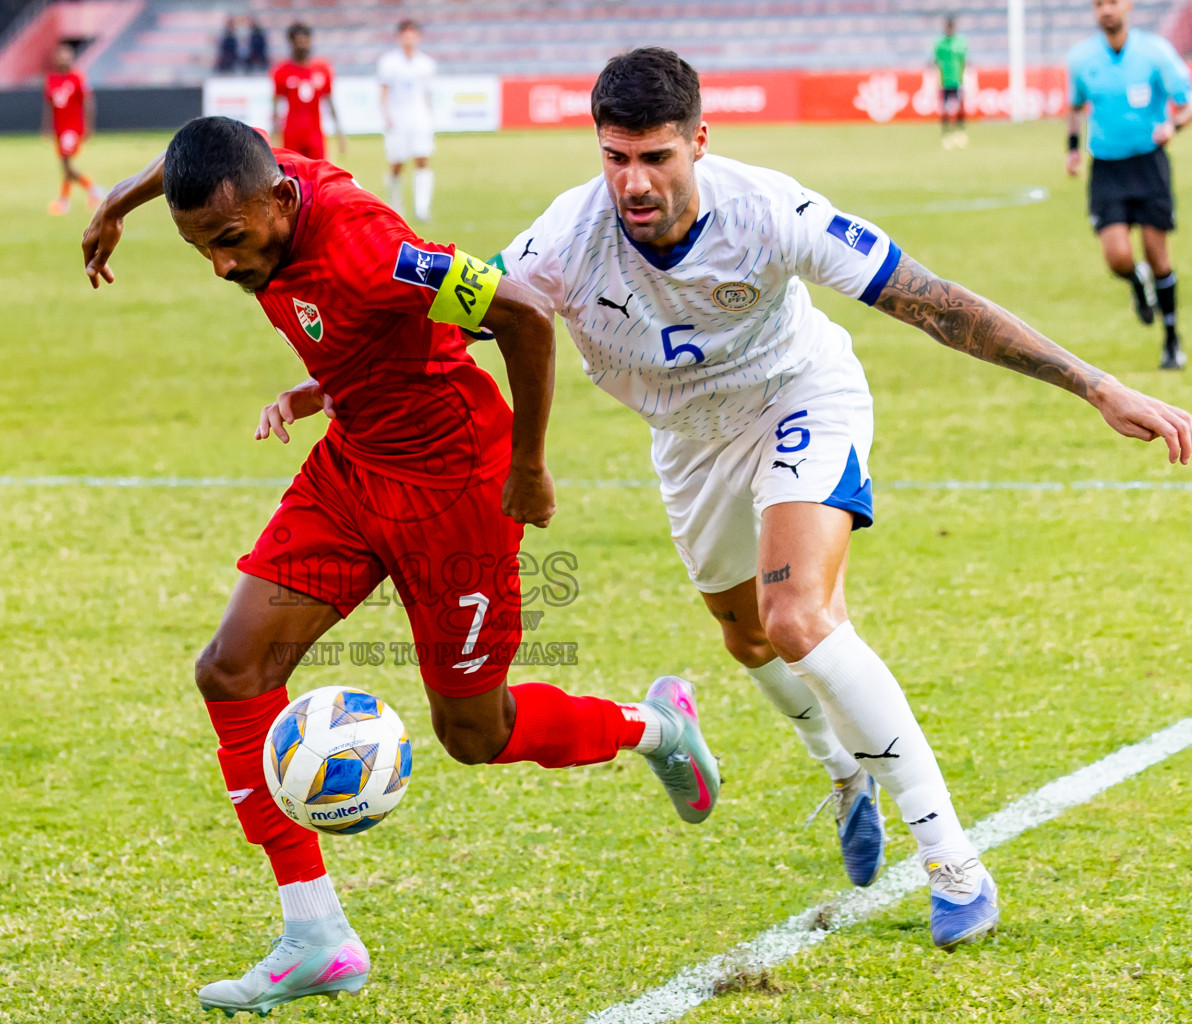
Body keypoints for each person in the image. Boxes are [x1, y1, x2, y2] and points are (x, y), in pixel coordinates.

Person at [494, 48, 1191, 951]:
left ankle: (952, 862)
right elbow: (453, 315)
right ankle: (841, 769)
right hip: (688, 443)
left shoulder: (768, 212)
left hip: (798, 396)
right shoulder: (561, 238)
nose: (634, 181)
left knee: (797, 616)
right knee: (743, 634)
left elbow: (932, 302)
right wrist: (331, 385)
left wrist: (1097, 386)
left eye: (657, 157)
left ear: (699, 141)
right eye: (616, 157)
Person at [79, 116, 721, 1015]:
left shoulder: (375, 250)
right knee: (231, 671)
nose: (222, 265)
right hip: (353, 466)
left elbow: (520, 315)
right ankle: (316, 935)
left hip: (457, 484)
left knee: (474, 733)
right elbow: (210, 147)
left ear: (280, 199)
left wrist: (528, 468)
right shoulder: (260, 177)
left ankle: (653, 725)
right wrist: (117, 201)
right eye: (200, 249)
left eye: (230, 241)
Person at [1067, 0, 1192, 370]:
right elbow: (1075, 107)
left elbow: (1185, 104)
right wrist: (1072, 150)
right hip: (1106, 167)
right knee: (1117, 257)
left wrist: (1174, 126)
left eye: (1113, 3)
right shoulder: (1081, 58)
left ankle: (1171, 340)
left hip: (1148, 164)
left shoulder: (1155, 53)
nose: (1106, 10)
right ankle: (1136, 281)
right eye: (1099, 4)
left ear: (1128, 6)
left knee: (1158, 257)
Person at [378, 19, 437, 220]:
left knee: (422, 159)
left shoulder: (426, 63)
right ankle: (395, 205)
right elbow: (384, 92)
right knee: (396, 163)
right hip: (398, 118)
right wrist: (387, 116)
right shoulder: (389, 63)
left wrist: (430, 117)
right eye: (406, 34)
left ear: (418, 37)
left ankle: (422, 207)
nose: (409, 39)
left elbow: (428, 94)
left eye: (412, 34)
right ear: (400, 37)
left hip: (419, 118)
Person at [42, 43, 103, 216]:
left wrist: (88, 127)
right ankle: (67, 200)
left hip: (73, 128)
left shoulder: (77, 78)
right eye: (60, 55)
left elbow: (88, 102)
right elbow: (49, 104)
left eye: (66, 55)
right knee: (65, 165)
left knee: (66, 164)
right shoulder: (52, 79)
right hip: (59, 129)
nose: (63, 58)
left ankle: (89, 190)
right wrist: (47, 126)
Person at [271, 23, 344, 161]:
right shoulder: (281, 71)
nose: (303, 45)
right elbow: (275, 105)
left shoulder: (323, 69)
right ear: (291, 43)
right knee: (293, 175)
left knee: (318, 174)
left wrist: (339, 131)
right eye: (299, 42)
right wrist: (274, 134)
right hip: (292, 133)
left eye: (305, 41)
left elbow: (330, 101)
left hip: (315, 133)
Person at [934, 15, 967, 148]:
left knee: (959, 107)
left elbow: (963, 61)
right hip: (944, 82)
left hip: (957, 81)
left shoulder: (960, 43)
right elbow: (936, 62)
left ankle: (960, 132)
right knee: (945, 109)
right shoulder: (940, 44)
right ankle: (946, 134)